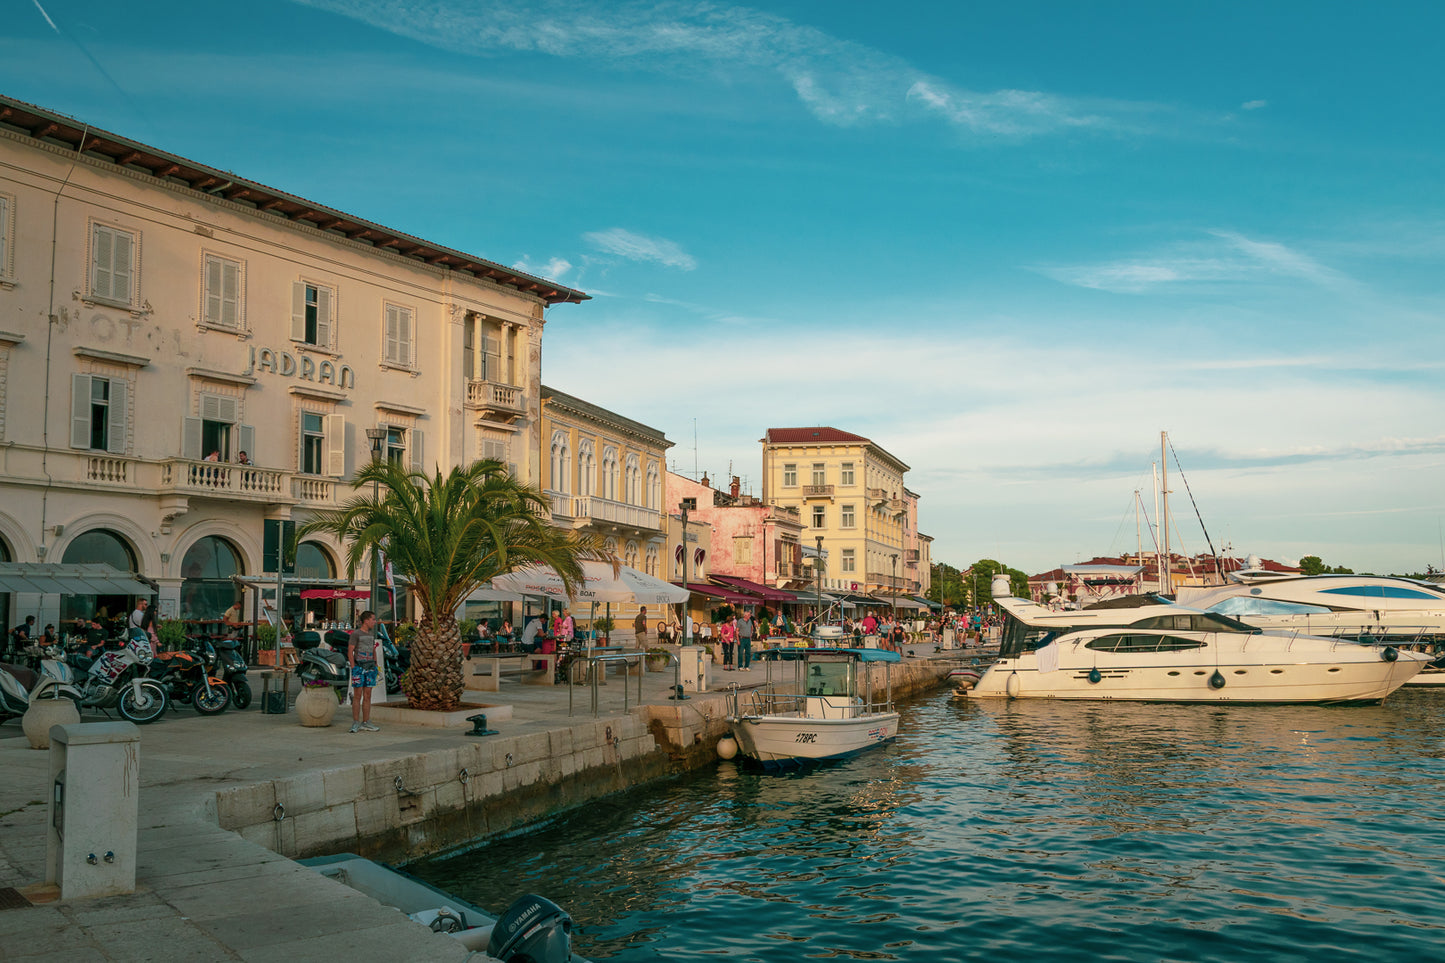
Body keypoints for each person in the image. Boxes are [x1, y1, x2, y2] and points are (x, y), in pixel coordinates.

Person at [348, 610, 381, 733]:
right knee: (357, 695)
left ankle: (366, 721)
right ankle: (356, 722)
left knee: (368, 695)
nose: (374, 621)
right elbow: (350, 651)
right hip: (359, 667)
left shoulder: (371, 635)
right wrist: (353, 667)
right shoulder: (356, 634)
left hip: (370, 667)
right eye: (373, 619)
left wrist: (376, 665)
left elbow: (373, 650)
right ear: (366, 620)